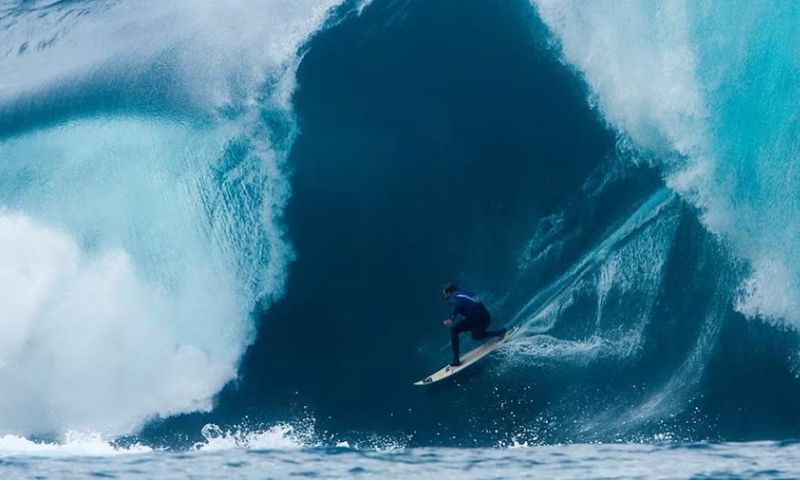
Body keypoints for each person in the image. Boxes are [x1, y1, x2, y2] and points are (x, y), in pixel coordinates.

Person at [442, 282, 507, 367]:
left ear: (449, 292)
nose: (445, 297)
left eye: (445, 295)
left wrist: (451, 319)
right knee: (476, 336)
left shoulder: (455, 295)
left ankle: (456, 360)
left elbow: (458, 304)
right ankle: (499, 333)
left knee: (454, 330)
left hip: (477, 317)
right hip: (486, 316)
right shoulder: (466, 292)